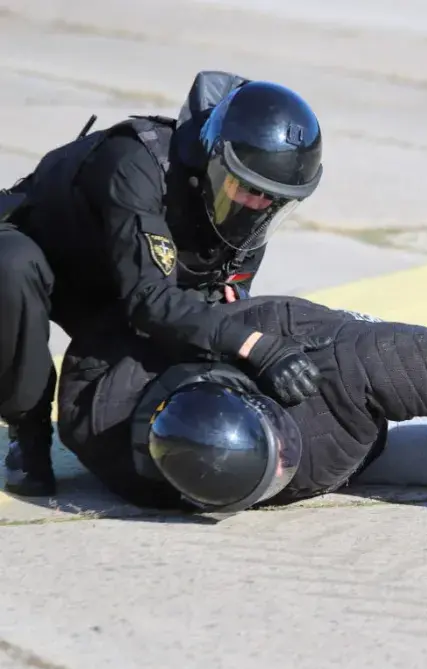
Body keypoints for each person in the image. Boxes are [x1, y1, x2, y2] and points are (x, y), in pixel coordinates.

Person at [0, 70, 326, 499]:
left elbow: (213, 300)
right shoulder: (135, 162)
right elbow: (150, 300)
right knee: (11, 266)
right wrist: (255, 344)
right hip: (55, 255)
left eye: (274, 199)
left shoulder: (252, 201)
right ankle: (28, 430)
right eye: (249, 190)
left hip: (127, 279)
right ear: (214, 157)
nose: (259, 205)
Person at [54, 295, 427, 513]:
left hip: (303, 362)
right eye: (270, 476)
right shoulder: (115, 451)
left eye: (278, 457)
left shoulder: (342, 366)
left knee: (402, 365)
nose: (282, 468)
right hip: (331, 445)